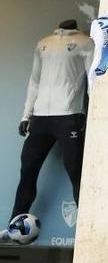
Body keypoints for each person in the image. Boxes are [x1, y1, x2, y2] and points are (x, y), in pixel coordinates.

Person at [7, 19, 92, 230]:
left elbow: (93, 82)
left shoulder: (85, 43)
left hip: (69, 116)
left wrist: (94, 118)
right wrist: (26, 115)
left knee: (76, 172)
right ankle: (15, 224)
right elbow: (34, 81)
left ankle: (87, 227)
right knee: (28, 170)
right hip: (40, 118)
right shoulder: (43, 43)